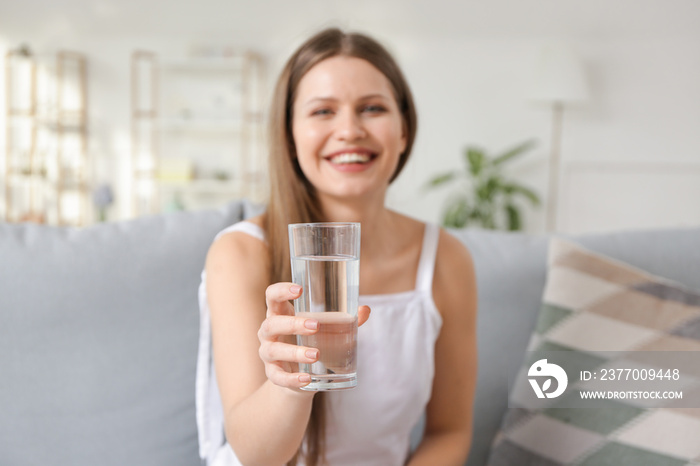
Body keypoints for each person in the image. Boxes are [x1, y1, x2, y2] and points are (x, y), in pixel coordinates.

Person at [196, 27, 478, 466]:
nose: (349, 130)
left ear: (404, 131)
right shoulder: (239, 254)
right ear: (289, 138)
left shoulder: (446, 258)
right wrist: (287, 382)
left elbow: (450, 431)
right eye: (323, 111)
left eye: (372, 108)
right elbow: (256, 456)